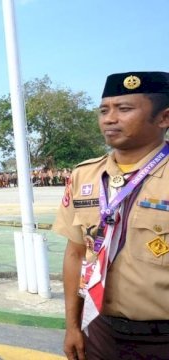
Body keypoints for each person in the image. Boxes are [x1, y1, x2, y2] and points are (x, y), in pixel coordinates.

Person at [53, 71, 169, 360]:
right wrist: (73, 326)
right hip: (102, 332)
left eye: (124, 109)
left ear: (164, 118)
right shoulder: (84, 175)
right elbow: (76, 253)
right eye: (104, 110)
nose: (109, 118)